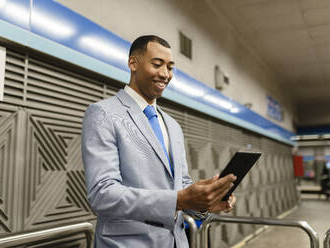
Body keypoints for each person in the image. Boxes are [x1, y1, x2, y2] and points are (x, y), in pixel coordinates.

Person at [81, 35, 237, 248]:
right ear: (133, 63)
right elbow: (103, 194)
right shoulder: (103, 113)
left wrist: (205, 203)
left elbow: (180, 185)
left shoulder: (172, 125)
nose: (165, 74)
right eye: (157, 64)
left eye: (170, 67)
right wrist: (179, 199)